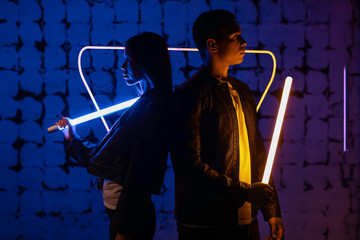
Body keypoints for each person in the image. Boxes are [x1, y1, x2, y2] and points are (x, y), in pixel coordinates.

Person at [170, 10, 284, 240]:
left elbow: (257, 153)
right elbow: (188, 165)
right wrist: (245, 192)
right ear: (212, 44)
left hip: (246, 221)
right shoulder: (189, 95)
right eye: (235, 36)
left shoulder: (241, 91)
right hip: (206, 225)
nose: (244, 42)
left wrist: (271, 211)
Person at [56, 32, 172, 240]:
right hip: (121, 212)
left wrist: (125, 228)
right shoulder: (143, 105)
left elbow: (140, 172)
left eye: (130, 59)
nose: (123, 66)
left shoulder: (152, 109)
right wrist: (71, 138)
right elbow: (107, 156)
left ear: (147, 62)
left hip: (130, 216)